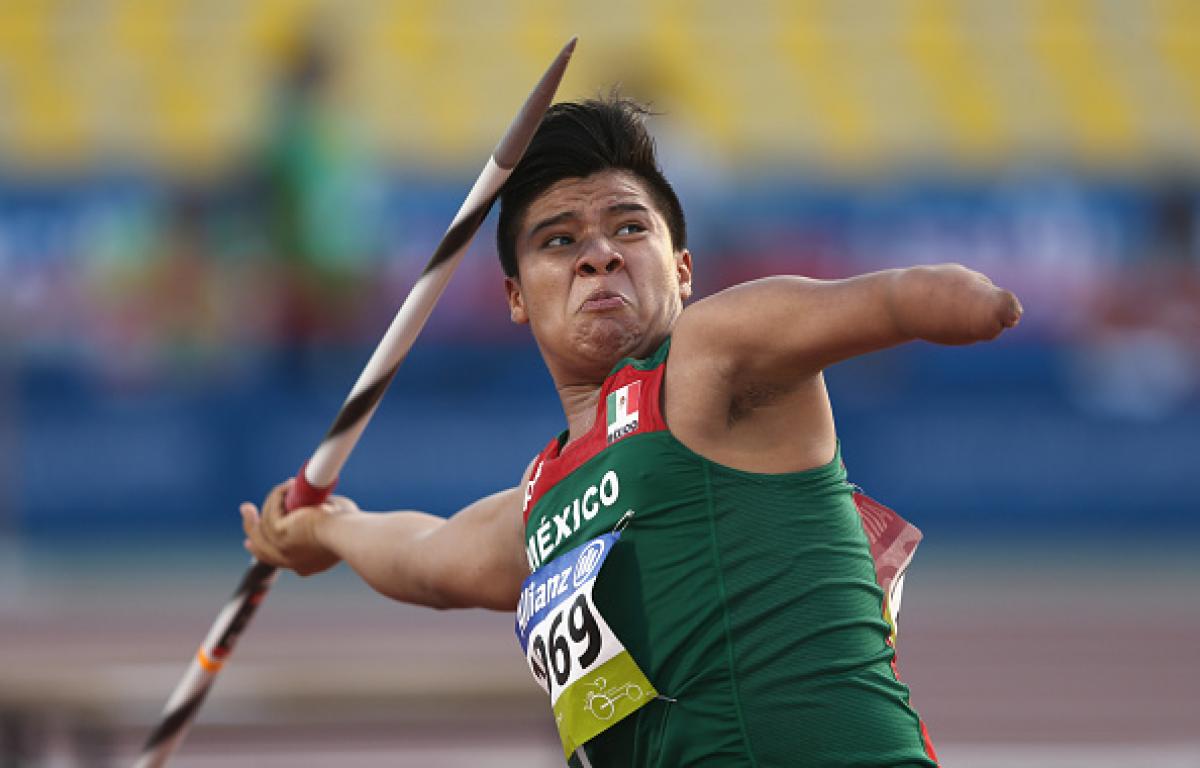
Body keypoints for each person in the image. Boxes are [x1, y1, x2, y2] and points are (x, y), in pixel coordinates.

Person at [242, 97, 1021, 767]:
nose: (599, 256)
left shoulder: (713, 359)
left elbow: (882, 301)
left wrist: (963, 299)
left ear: (682, 269)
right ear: (516, 297)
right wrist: (330, 530)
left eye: (628, 228)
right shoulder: (544, 499)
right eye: (559, 241)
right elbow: (426, 559)